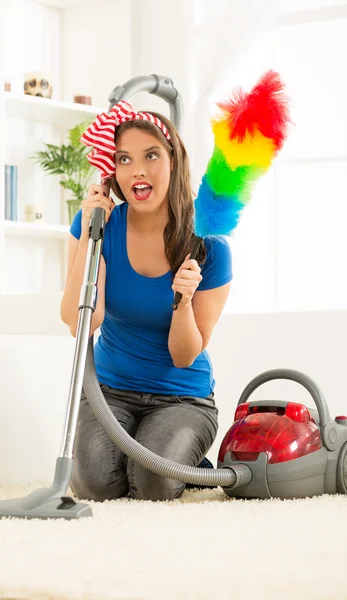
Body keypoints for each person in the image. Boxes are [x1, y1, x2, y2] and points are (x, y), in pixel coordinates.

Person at [60, 102, 232, 502]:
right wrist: (90, 236)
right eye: (124, 159)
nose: (137, 169)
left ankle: (184, 462)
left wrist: (183, 300)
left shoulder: (209, 246)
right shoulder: (97, 227)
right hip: (110, 391)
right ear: (112, 172)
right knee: (94, 485)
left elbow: (185, 354)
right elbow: (79, 322)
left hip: (181, 396)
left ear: (173, 161)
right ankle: (144, 452)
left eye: (151, 155)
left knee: (154, 484)